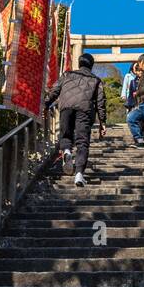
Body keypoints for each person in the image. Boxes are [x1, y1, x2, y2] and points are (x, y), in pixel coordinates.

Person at [43, 52, 107, 186]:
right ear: (92, 66)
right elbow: (101, 102)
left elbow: (54, 90)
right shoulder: (96, 80)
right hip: (84, 110)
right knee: (82, 142)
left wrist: (45, 105)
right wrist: (102, 122)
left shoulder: (67, 74)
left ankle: (66, 151)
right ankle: (78, 174)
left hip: (66, 107)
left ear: (79, 63)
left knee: (66, 134)